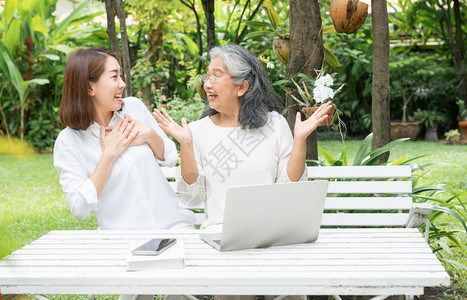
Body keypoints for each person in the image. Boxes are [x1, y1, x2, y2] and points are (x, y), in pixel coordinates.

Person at [153, 43, 333, 231]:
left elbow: (289, 188)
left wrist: (300, 141)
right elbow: (192, 197)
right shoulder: (196, 131)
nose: (207, 84)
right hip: (219, 234)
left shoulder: (274, 124)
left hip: (269, 234)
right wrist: (186, 145)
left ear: (242, 87)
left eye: (216, 75)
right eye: (207, 76)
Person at [54, 47, 195, 231]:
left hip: (175, 227)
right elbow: (79, 208)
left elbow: (170, 158)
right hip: (123, 240)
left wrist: (148, 135)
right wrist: (109, 156)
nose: (122, 84)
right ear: (90, 87)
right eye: (114, 77)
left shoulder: (133, 108)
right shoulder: (69, 141)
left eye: (121, 76)